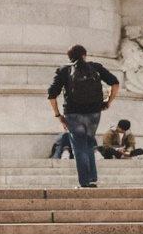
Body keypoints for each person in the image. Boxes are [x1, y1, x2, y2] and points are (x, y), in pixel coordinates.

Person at [46, 44, 121, 188]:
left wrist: (58, 115)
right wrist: (108, 101)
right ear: (84, 55)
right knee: (89, 142)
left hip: (73, 113)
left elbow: (51, 95)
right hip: (93, 112)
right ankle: (92, 178)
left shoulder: (64, 70)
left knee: (79, 146)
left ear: (70, 57)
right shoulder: (96, 67)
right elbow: (115, 83)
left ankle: (85, 182)